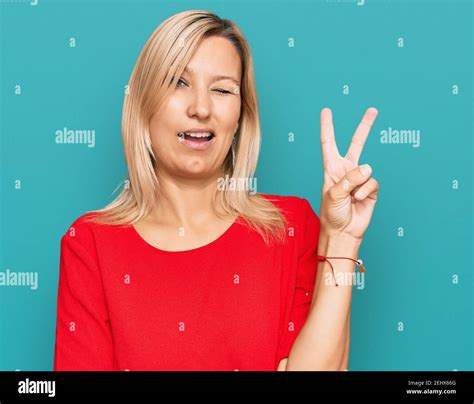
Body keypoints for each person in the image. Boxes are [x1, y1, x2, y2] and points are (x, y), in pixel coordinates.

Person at [53, 10, 379, 371]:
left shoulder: (291, 228)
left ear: (240, 116)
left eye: (222, 89)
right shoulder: (90, 244)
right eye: (178, 82)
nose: (201, 108)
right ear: (143, 104)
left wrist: (342, 238)